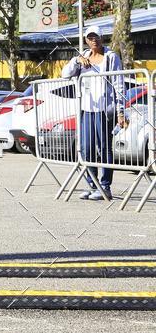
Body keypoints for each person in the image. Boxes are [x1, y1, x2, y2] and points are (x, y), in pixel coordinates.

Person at [62, 25, 124, 201]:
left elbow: (119, 84)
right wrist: (76, 61)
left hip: (104, 111)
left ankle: (105, 187)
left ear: (102, 38)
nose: (93, 40)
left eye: (96, 37)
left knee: (104, 148)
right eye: (90, 37)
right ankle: (92, 184)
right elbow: (65, 74)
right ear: (86, 40)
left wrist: (120, 111)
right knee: (86, 149)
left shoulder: (111, 57)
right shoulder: (83, 56)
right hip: (86, 110)